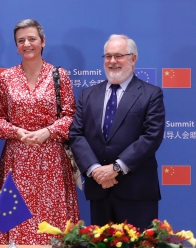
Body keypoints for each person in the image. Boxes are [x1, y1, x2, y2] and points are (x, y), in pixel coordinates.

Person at [0, 19, 80, 245]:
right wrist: (16, 132)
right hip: (17, 160)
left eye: (32, 39)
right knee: (15, 221)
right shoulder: (6, 78)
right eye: (21, 40)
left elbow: (71, 116)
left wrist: (48, 132)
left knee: (52, 221)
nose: (27, 44)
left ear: (43, 41)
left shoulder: (59, 75)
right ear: (16, 46)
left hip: (52, 160)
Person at [70, 34, 165, 230]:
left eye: (119, 56)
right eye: (108, 56)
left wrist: (115, 168)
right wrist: (95, 170)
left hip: (137, 191)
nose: (112, 61)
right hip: (99, 189)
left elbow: (151, 137)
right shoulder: (88, 94)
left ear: (133, 58)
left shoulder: (151, 94)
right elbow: (76, 135)